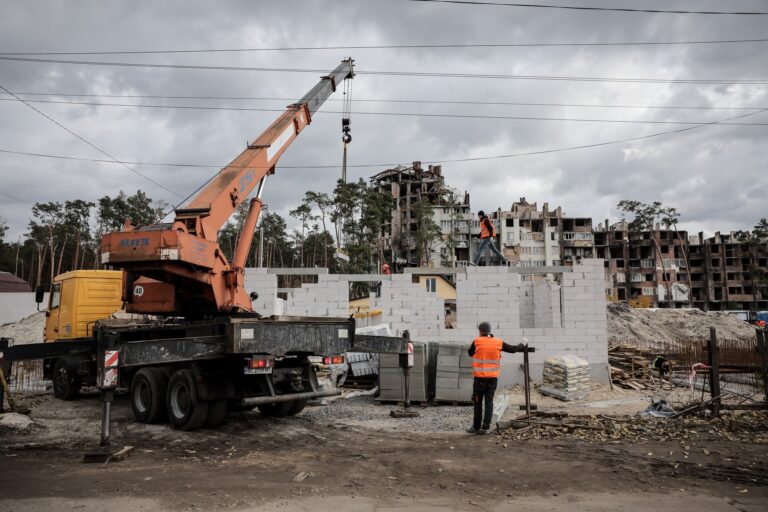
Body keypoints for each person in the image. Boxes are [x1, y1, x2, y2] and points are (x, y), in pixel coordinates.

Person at [467, 322, 526, 435]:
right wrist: (523, 344)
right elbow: (513, 349)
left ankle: (476, 427)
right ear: (489, 331)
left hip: (479, 379)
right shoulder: (498, 342)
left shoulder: (477, 341)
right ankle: (485, 428)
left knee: (478, 402)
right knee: (489, 402)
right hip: (492, 379)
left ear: (480, 331)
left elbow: (470, 353)